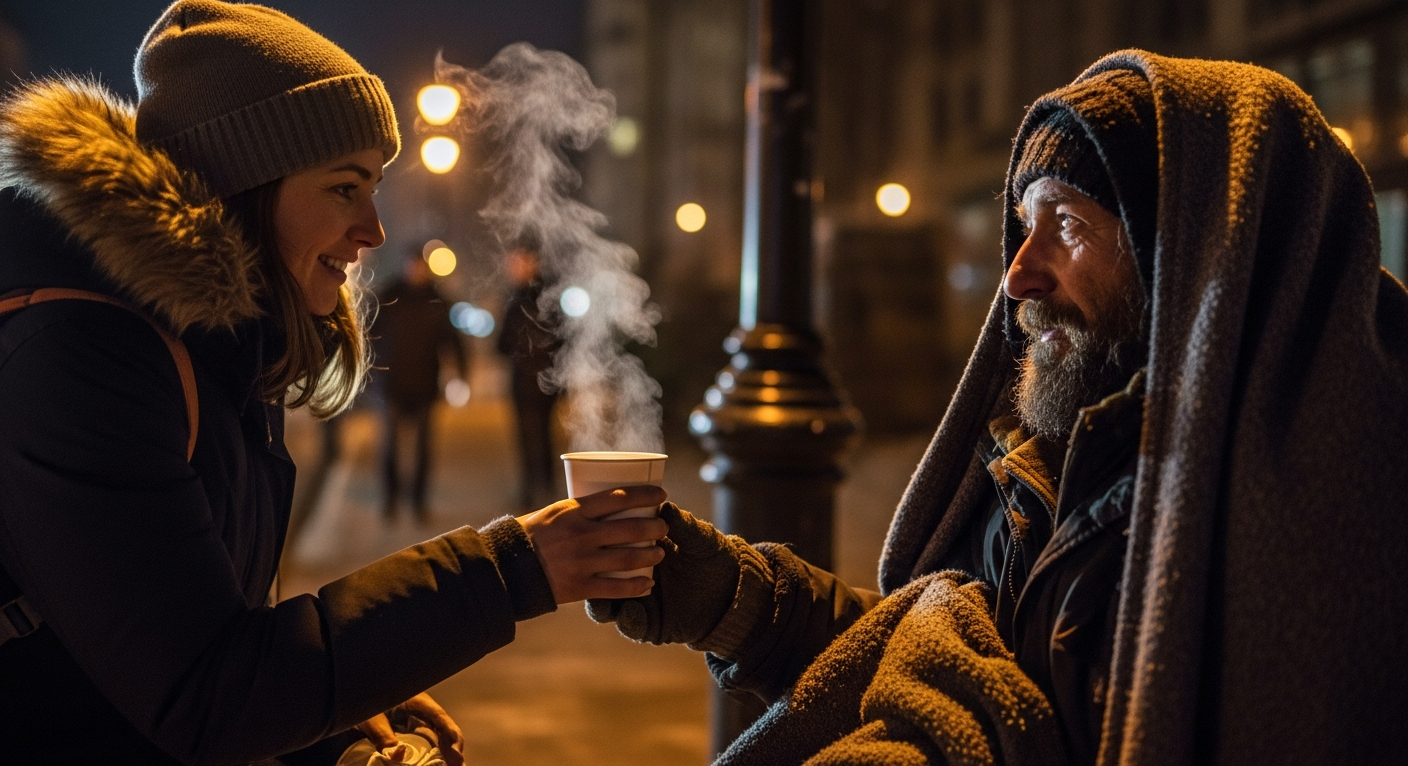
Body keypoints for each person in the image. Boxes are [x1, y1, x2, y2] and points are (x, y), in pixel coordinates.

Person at [589, 50, 1408, 764]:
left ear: (1192, 253)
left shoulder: (1342, 508)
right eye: (1024, 224)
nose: (1019, 274)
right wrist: (729, 597)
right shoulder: (1045, 457)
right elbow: (941, 671)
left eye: (1069, 224)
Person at [0, 0, 667, 764]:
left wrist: (329, 711)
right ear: (245, 185)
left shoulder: (218, 349)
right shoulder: (82, 358)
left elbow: (192, 651)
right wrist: (515, 569)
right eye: (344, 187)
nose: (373, 230)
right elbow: (208, 695)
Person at [371, 252, 468, 522]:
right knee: (389, 446)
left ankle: (418, 503)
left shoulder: (437, 300)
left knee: (423, 448)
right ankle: (390, 500)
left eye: (419, 268)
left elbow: (453, 341)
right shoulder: (387, 297)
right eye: (412, 266)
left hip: (425, 386)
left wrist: (460, 374)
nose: (415, 272)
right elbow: (369, 336)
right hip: (391, 386)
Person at [496, 248, 560, 510]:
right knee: (539, 435)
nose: (514, 268)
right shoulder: (548, 297)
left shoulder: (520, 301)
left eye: (519, 263)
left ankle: (533, 491)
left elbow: (502, 345)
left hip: (530, 382)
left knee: (532, 437)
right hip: (539, 382)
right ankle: (543, 488)